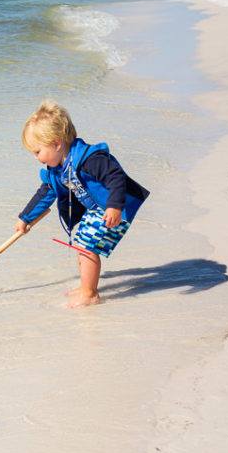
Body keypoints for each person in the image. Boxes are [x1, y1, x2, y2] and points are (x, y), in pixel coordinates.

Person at [14, 100, 149, 308]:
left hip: (116, 208)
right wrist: (25, 218)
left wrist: (114, 206)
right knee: (81, 241)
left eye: (37, 151)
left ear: (57, 143)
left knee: (87, 245)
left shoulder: (90, 159)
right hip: (97, 209)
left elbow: (116, 177)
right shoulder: (56, 170)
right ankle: (87, 285)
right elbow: (45, 193)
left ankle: (90, 293)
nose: (35, 157)